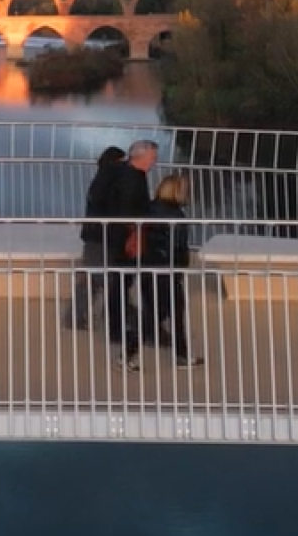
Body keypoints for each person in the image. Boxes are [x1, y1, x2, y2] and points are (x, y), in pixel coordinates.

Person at [104, 139, 159, 372]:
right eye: (153, 157)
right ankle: (123, 330)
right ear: (141, 157)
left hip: (124, 239)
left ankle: (120, 328)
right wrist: (137, 229)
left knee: (122, 283)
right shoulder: (131, 178)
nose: (155, 161)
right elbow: (127, 211)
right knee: (123, 283)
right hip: (127, 241)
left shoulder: (130, 174)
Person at [139, 174, 204, 368]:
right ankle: (180, 355)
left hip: (148, 266)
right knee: (169, 313)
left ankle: (180, 354)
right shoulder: (175, 215)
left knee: (160, 313)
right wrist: (182, 266)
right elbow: (178, 246)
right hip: (167, 269)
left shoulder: (149, 208)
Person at [63, 146, 126, 330]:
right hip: (102, 237)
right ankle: (97, 316)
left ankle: (77, 317)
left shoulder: (100, 180)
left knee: (92, 278)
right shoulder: (111, 182)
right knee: (101, 279)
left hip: (94, 236)